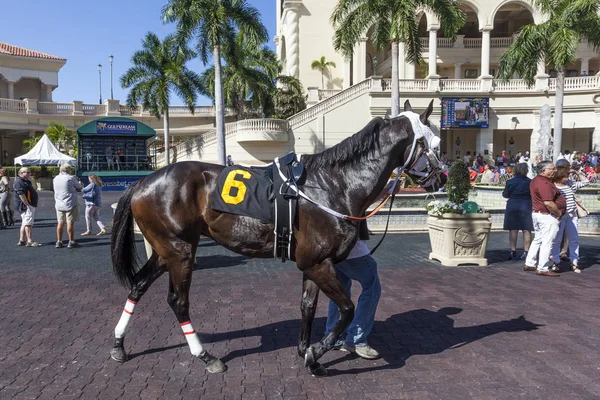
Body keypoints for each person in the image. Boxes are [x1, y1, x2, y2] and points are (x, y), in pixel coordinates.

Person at [325, 182, 400, 360]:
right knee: (372, 287)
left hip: (334, 244)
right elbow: (359, 199)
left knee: (340, 290)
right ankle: (356, 339)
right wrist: (387, 190)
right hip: (351, 244)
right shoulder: (347, 177)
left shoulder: (328, 178)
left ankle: (334, 334)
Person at [523, 161, 566, 277]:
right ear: (544, 170)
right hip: (547, 216)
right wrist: (559, 213)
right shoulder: (544, 183)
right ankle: (542, 267)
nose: (555, 171)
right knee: (547, 241)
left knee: (538, 239)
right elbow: (548, 203)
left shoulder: (536, 180)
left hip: (538, 214)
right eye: (552, 169)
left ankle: (530, 262)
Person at [551, 161, 589, 273]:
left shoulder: (570, 184)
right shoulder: (553, 186)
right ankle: (555, 261)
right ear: (559, 176)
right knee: (557, 240)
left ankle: (574, 262)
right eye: (565, 176)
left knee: (574, 239)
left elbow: (586, 182)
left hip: (572, 216)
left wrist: (576, 172)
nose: (567, 178)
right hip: (560, 216)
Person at [502, 163, 533, 261]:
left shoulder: (510, 181)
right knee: (527, 229)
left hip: (513, 205)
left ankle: (513, 251)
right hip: (526, 205)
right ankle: (526, 252)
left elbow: (506, 195)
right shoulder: (530, 182)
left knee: (513, 229)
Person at [53, 164, 82, 248]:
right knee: (70, 223)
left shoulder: (55, 178)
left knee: (60, 223)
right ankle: (71, 241)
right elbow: (79, 187)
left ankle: (59, 241)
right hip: (70, 202)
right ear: (68, 170)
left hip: (59, 203)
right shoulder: (70, 178)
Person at [13, 167, 41, 247]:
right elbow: (21, 194)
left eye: (29, 172)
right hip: (25, 205)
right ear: (21, 173)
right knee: (28, 223)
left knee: (24, 222)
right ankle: (29, 241)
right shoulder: (19, 182)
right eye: (27, 172)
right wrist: (27, 205)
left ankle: (22, 240)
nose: (29, 173)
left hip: (28, 204)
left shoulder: (26, 181)